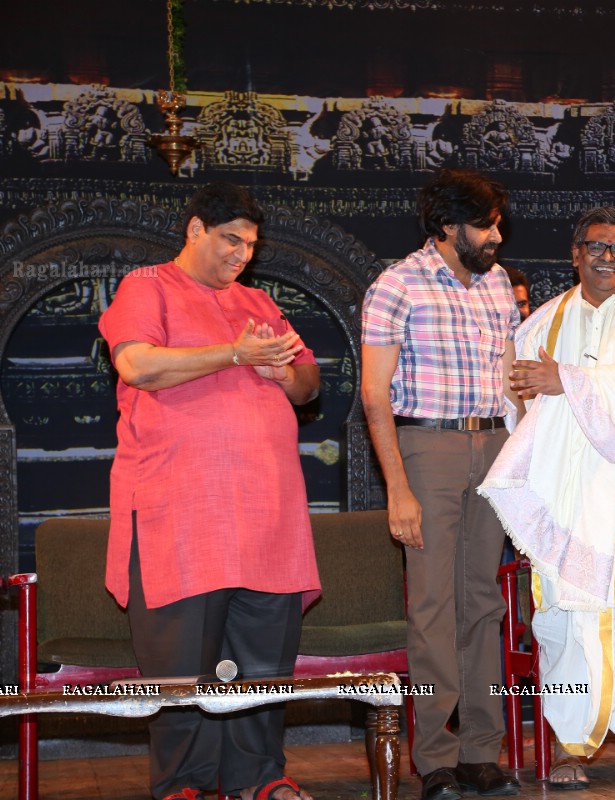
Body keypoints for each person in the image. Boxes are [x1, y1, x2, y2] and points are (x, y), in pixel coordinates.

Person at [99, 182, 321, 800]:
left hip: (267, 512)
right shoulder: (146, 287)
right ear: (196, 229)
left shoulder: (258, 300)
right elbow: (138, 365)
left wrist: (284, 372)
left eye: (250, 244)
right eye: (231, 239)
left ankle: (261, 779)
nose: (241, 255)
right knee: (181, 664)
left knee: (264, 662)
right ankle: (185, 786)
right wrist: (233, 353)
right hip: (182, 510)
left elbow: (308, 386)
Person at [479, 206, 615, 788]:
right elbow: (517, 400)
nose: (608, 257)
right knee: (561, 621)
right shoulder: (542, 323)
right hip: (565, 498)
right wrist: (538, 392)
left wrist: (566, 381)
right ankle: (567, 747)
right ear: (574, 253)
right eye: (596, 246)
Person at [361, 168, 522, 800]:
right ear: (447, 226)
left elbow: (511, 379)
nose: (496, 236)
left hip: (493, 444)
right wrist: (397, 489)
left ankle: (483, 750)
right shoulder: (396, 285)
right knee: (432, 608)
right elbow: (374, 396)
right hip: (426, 445)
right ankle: (435, 759)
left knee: (483, 603)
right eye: (485, 224)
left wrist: (525, 457)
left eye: (496, 223)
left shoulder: (498, 283)